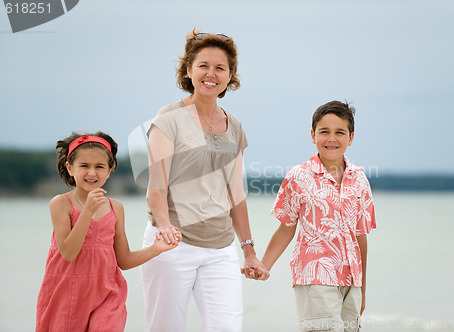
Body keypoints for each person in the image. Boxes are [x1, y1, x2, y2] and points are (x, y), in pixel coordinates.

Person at [140, 29, 268, 332]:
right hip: (171, 246)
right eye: (203, 66)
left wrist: (248, 250)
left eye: (220, 68)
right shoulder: (168, 119)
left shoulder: (234, 127)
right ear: (189, 70)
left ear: (230, 75)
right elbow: (156, 189)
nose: (211, 74)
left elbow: (235, 194)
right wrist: (166, 226)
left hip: (221, 248)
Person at [36, 132, 181, 332]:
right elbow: (68, 253)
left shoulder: (116, 208)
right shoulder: (61, 204)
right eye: (84, 166)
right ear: (70, 168)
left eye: (100, 167)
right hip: (67, 291)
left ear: (110, 171)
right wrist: (87, 212)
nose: (92, 173)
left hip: (107, 293)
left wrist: (156, 249)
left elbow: (123, 260)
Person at [257, 101, 376, 332]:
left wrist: (362, 288)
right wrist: (264, 265)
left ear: (350, 138)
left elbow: (360, 237)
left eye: (339, 132)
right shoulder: (298, 176)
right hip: (315, 277)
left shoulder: (360, 180)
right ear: (313, 135)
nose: (331, 139)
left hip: (351, 281)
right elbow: (286, 228)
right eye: (324, 132)